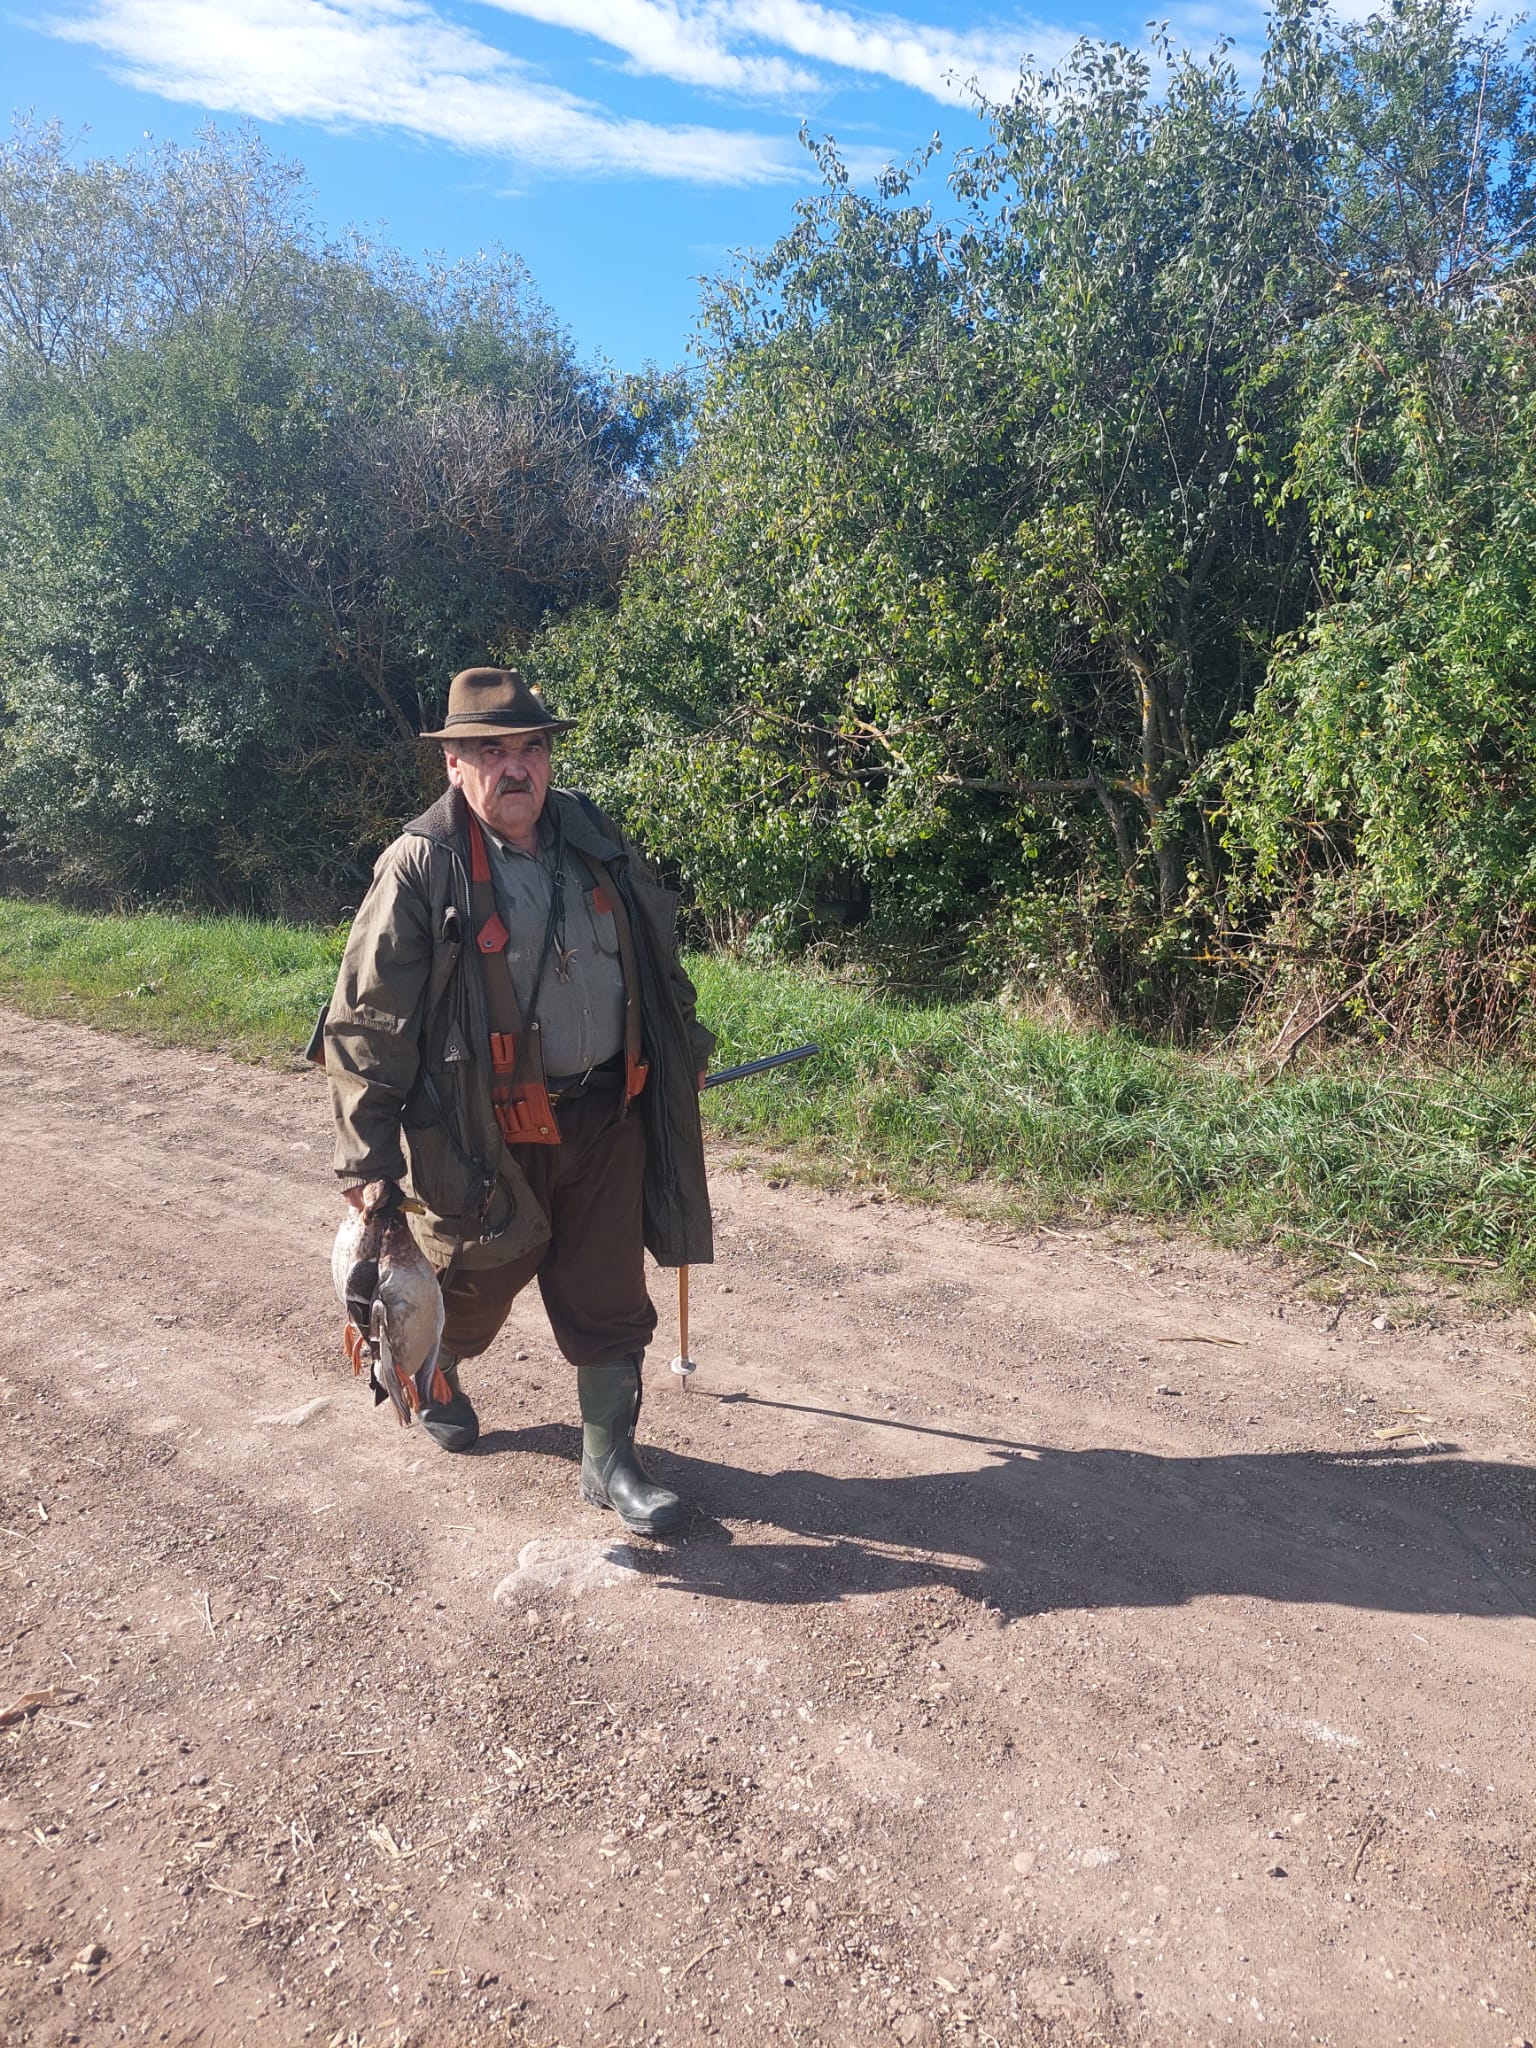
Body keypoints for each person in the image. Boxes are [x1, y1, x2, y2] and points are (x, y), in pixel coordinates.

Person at [322, 666, 714, 1536]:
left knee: (609, 1296)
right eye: (489, 751)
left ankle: (610, 1462)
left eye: (530, 748)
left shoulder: (591, 836)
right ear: (453, 765)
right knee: (474, 1285)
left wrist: (683, 1049)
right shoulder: (421, 865)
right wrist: (369, 1161)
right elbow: (366, 1022)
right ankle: (435, 1369)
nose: (514, 768)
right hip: (480, 1130)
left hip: (608, 1114)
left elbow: (656, 958)